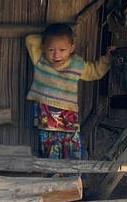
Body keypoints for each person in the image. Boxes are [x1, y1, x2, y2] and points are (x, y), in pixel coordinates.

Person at [25, 23, 112, 160]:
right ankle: (52, 176)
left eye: (62, 49)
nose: (56, 55)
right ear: (43, 48)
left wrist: (107, 60)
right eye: (51, 50)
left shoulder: (76, 65)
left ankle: (71, 175)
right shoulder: (40, 60)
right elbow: (30, 39)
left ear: (72, 48)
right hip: (46, 113)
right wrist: (47, 40)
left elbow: (95, 72)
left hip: (68, 114)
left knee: (71, 145)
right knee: (50, 145)